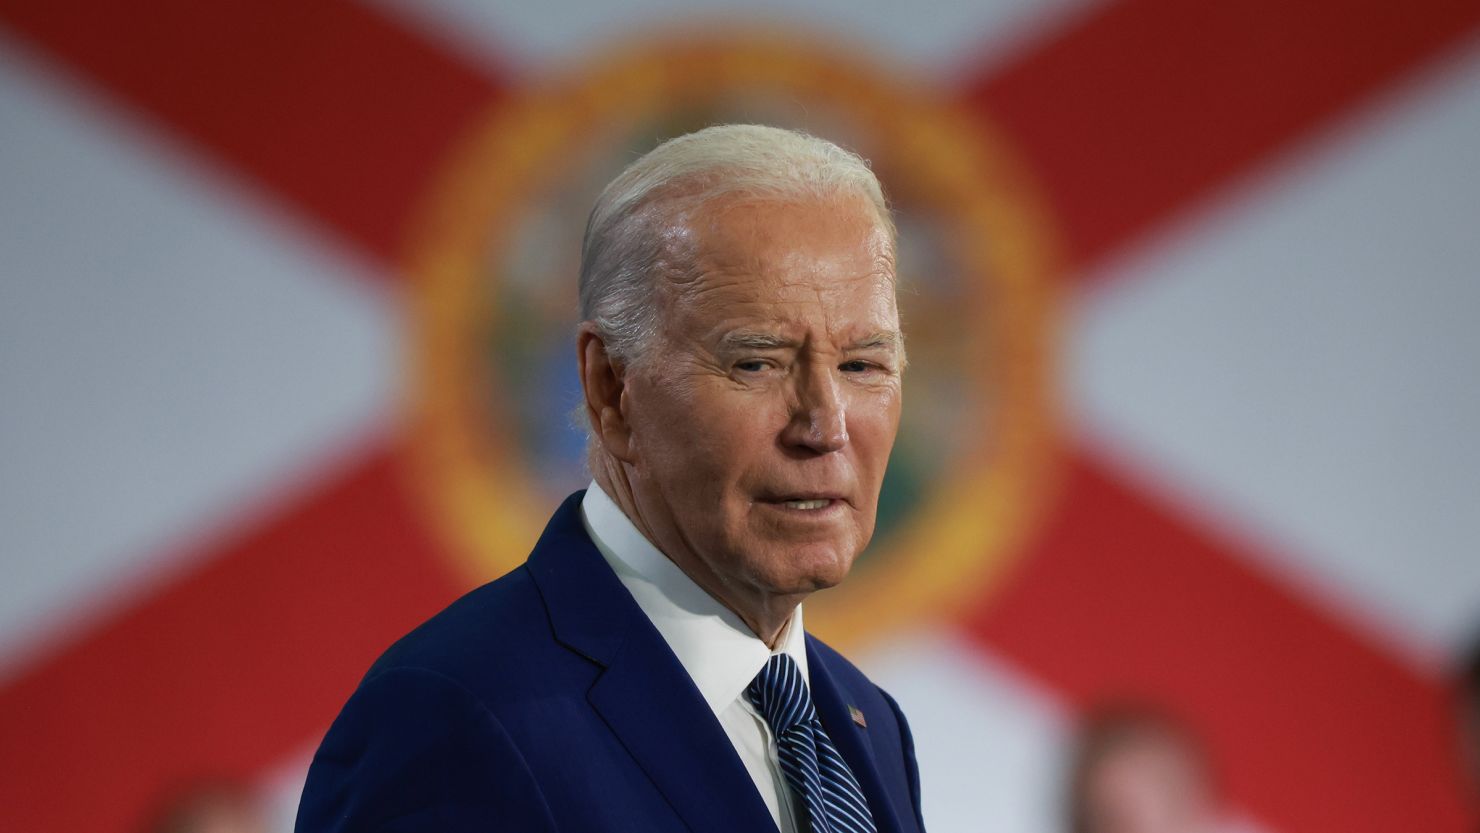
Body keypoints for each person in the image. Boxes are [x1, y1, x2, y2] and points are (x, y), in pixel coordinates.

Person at [295, 124, 924, 832]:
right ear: (610, 387)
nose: (826, 426)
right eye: (757, 361)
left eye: (862, 365)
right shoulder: (453, 718)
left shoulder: (866, 722)